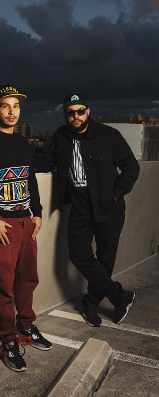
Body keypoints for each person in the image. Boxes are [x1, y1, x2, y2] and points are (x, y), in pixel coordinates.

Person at [35, 93, 139, 327]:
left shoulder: (108, 135)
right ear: (65, 115)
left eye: (80, 111)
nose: (76, 116)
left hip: (109, 208)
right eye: (71, 112)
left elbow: (131, 168)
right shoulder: (60, 136)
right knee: (78, 254)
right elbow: (48, 161)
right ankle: (119, 296)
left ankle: (90, 303)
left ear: (88, 112)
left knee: (105, 260)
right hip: (80, 206)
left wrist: (115, 194)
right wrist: (23, 167)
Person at [0, 85, 52, 374]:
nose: (12, 111)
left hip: (25, 221)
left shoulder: (24, 144)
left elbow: (30, 181)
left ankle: (26, 327)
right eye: (6, 106)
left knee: (28, 279)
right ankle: (8, 341)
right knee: (3, 285)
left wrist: (37, 213)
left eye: (16, 106)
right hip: (1, 224)